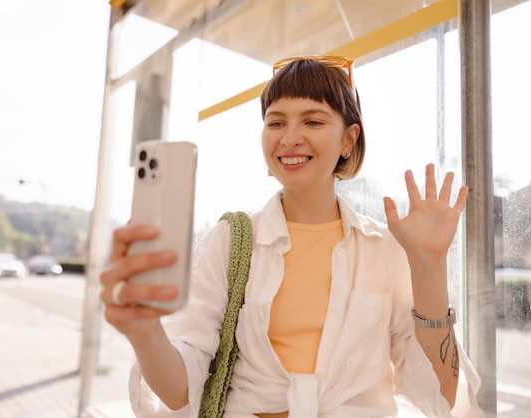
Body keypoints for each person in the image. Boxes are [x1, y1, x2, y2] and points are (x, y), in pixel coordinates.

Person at [101, 55, 484, 417]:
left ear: (349, 140)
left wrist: (429, 265)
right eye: (276, 121)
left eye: (313, 122)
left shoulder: (386, 249)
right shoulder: (230, 242)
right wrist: (146, 332)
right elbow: (177, 392)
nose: (290, 138)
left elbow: (440, 394)